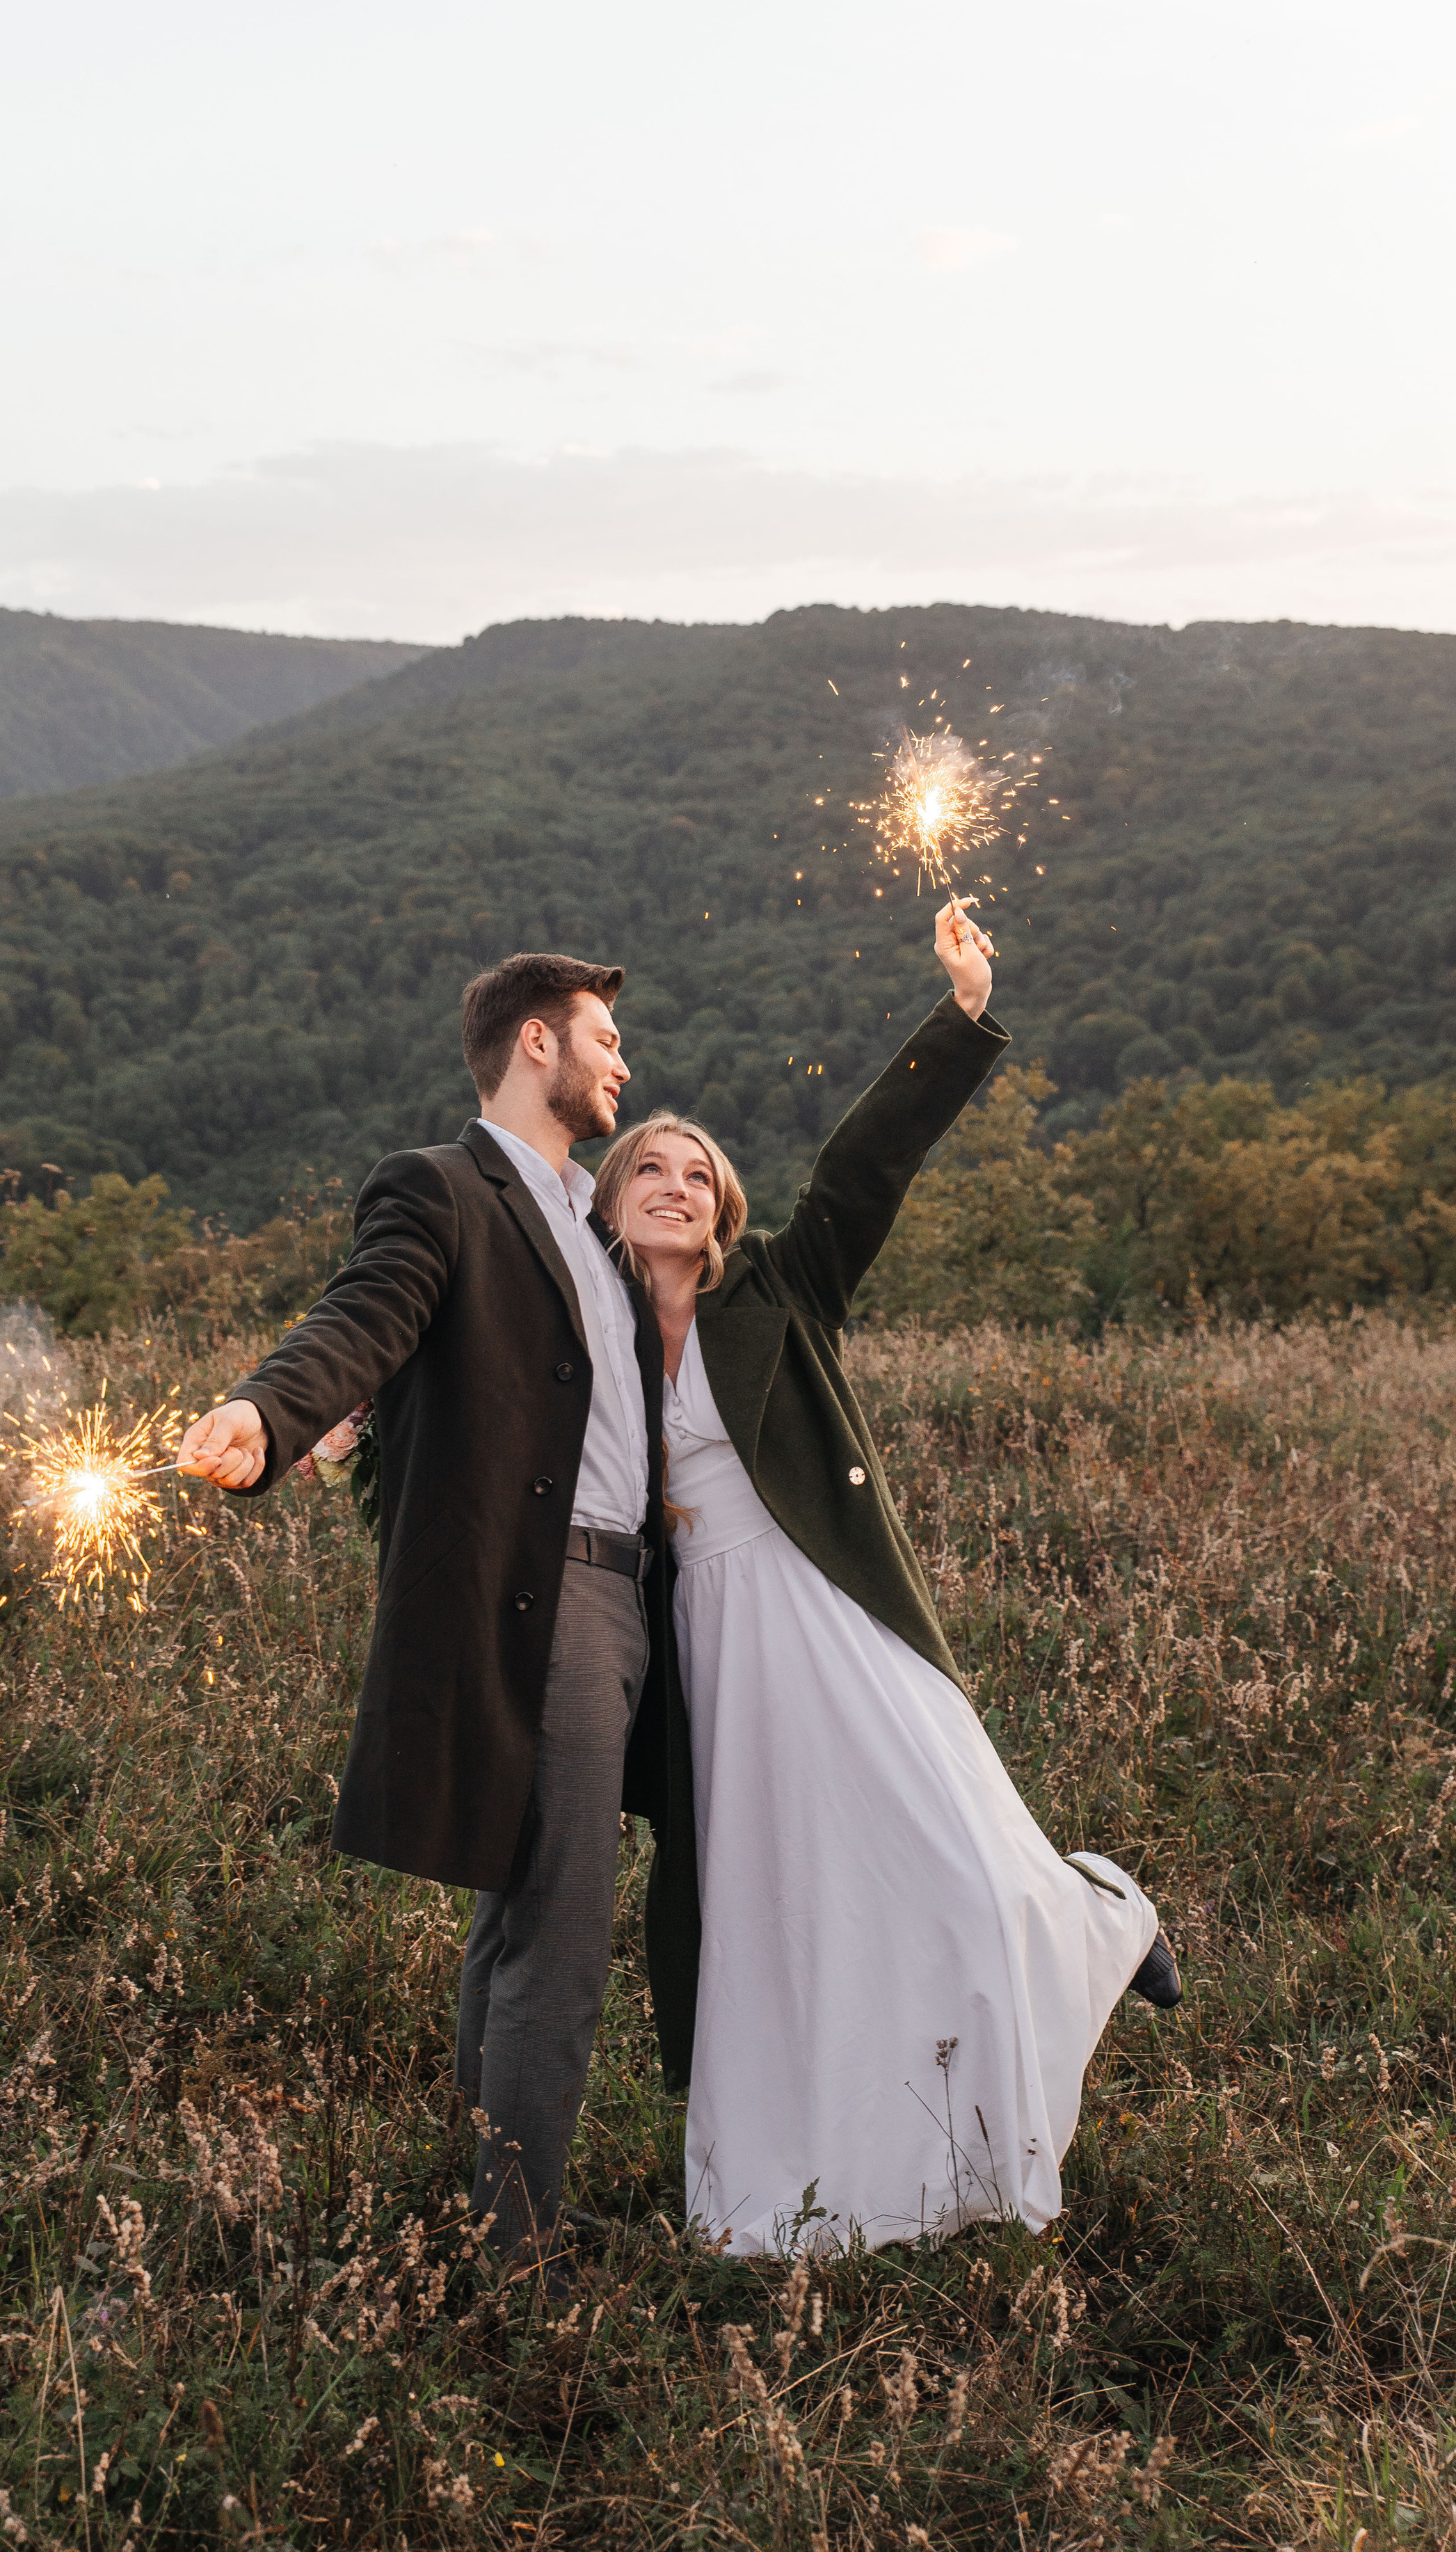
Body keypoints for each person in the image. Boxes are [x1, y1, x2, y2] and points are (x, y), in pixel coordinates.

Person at [591, 903, 1179, 2258]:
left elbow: (863, 1169)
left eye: (694, 1171)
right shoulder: (592, 1344)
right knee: (780, 1920)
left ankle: (1098, 1918)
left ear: (720, 1208)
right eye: (646, 1170)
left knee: (956, 1872)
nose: (673, 1181)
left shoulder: (781, 1294)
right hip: (711, 1660)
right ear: (611, 1208)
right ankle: (795, 2202)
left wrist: (959, 1019)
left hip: (832, 1618)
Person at [175, 953, 698, 2283]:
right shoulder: (443, 1188)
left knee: (516, 1911)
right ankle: (519, 2260)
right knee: (564, 1928)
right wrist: (272, 1412)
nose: (623, 1065)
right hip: (550, 1600)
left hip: (626, 1598)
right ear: (538, 1042)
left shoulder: (593, 1221)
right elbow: (363, 1319)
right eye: (606, 1039)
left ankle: (478, 2222)